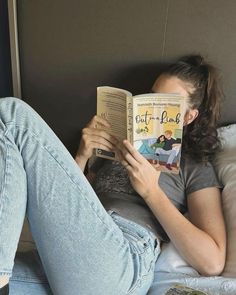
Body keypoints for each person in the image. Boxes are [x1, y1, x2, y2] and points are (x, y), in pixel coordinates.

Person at [0, 55, 226, 295]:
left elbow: (212, 262)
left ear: (189, 116)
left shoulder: (194, 164)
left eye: (166, 103)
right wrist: (81, 156)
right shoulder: (117, 148)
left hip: (124, 259)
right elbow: (59, 208)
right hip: (71, 257)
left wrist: (152, 192)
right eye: (152, 96)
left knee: (11, 115)